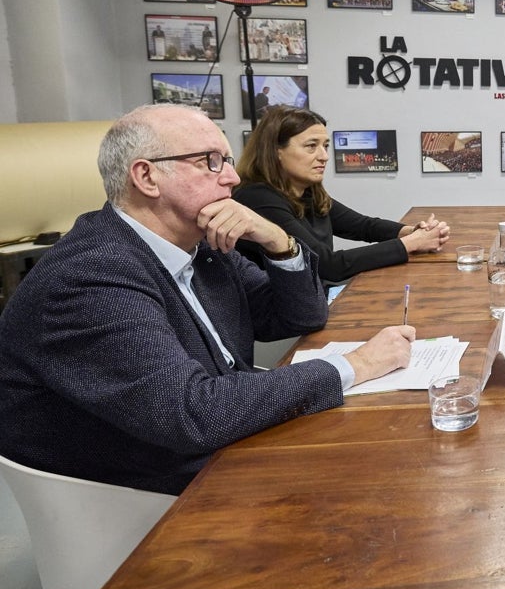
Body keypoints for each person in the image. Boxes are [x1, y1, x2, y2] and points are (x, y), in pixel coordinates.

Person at [0, 104, 415, 495]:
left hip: (211, 441)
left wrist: (280, 242)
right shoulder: (92, 276)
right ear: (146, 177)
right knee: (380, 471)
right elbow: (195, 414)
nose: (232, 179)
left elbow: (301, 317)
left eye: (229, 162)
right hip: (143, 490)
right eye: (209, 162)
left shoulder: (204, 247)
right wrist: (355, 365)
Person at [235, 107, 450, 284]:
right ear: (275, 151)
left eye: (325, 146)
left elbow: (363, 226)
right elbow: (327, 266)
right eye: (311, 147)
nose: (324, 156)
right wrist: (412, 243)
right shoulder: (257, 199)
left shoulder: (307, 191)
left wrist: (411, 231)